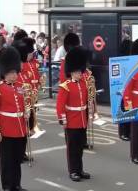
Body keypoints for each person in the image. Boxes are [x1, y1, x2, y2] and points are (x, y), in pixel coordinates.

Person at [0, 47, 29, 191]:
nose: (14, 75)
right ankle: (7, 186)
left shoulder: (21, 87)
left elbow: (24, 104)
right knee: (7, 162)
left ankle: (16, 185)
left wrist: (27, 113)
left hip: (20, 129)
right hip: (6, 130)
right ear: (4, 73)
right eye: (11, 73)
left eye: (15, 72)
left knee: (17, 160)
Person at [56, 47, 91, 182]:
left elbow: (86, 100)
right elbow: (60, 105)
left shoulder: (83, 83)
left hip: (82, 119)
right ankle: (73, 171)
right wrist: (62, 119)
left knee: (80, 147)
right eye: (77, 72)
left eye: (80, 71)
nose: (79, 74)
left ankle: (80, 169)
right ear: (71, 72)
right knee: (72, 148)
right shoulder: (66, 86)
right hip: (71, 121)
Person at [118, 39, 132, 141]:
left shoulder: (130, 60)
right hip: (123, 91)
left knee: (128, 110)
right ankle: (123, 132)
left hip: (129, 90)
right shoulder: (120, 60)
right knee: (124, 111)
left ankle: (127, 131)